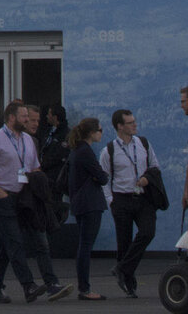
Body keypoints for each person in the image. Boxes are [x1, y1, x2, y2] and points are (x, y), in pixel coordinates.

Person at [0, 101, 68, 304]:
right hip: (4, 196)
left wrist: (40, 186)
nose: (27, 120)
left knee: (7, 244)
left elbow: (34, 167)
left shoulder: (28, 140)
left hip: (24, 196)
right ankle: (28, 285)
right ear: (11, 117)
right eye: (24, 116)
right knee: (15, 241)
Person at [104, 108, 158, 299]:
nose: (135, 125)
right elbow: (105, 178)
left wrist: (147, 178)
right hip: (121, 198)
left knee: (148, 232)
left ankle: (122, 268)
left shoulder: (143, 143)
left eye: (134, 121)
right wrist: (111, 201)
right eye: (130, 122)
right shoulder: (109, 150)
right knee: (124, 242)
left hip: (143, 197)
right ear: (120, 126)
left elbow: (155, 166)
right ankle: (129, 284)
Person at [66, 117, 110, 301]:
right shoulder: (86, 151)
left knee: (84, 243)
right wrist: (99, 176)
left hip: (80, 202)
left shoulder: (76, 150)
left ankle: (84, 287)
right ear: (91, 133)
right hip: (90, 203)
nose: (101, 133)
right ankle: (84, 288)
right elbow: (102, 177)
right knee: (85, 245)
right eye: (100, 130)